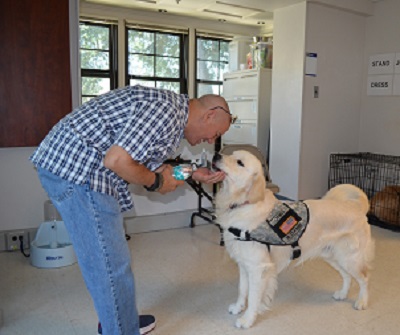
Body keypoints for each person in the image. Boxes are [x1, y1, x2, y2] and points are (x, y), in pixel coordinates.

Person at [30, 85, 233, 335]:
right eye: (216, 133)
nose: (212, 140)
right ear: (210, 114)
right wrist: (156, 183)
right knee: (109, 262)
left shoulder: (170, 115)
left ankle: (118, 319)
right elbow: (118, 161)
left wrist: (194, 173)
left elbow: (151, 166)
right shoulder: (165, 111)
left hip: (77, 168)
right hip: (79, 172)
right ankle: (120, 329)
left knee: (108, 259)